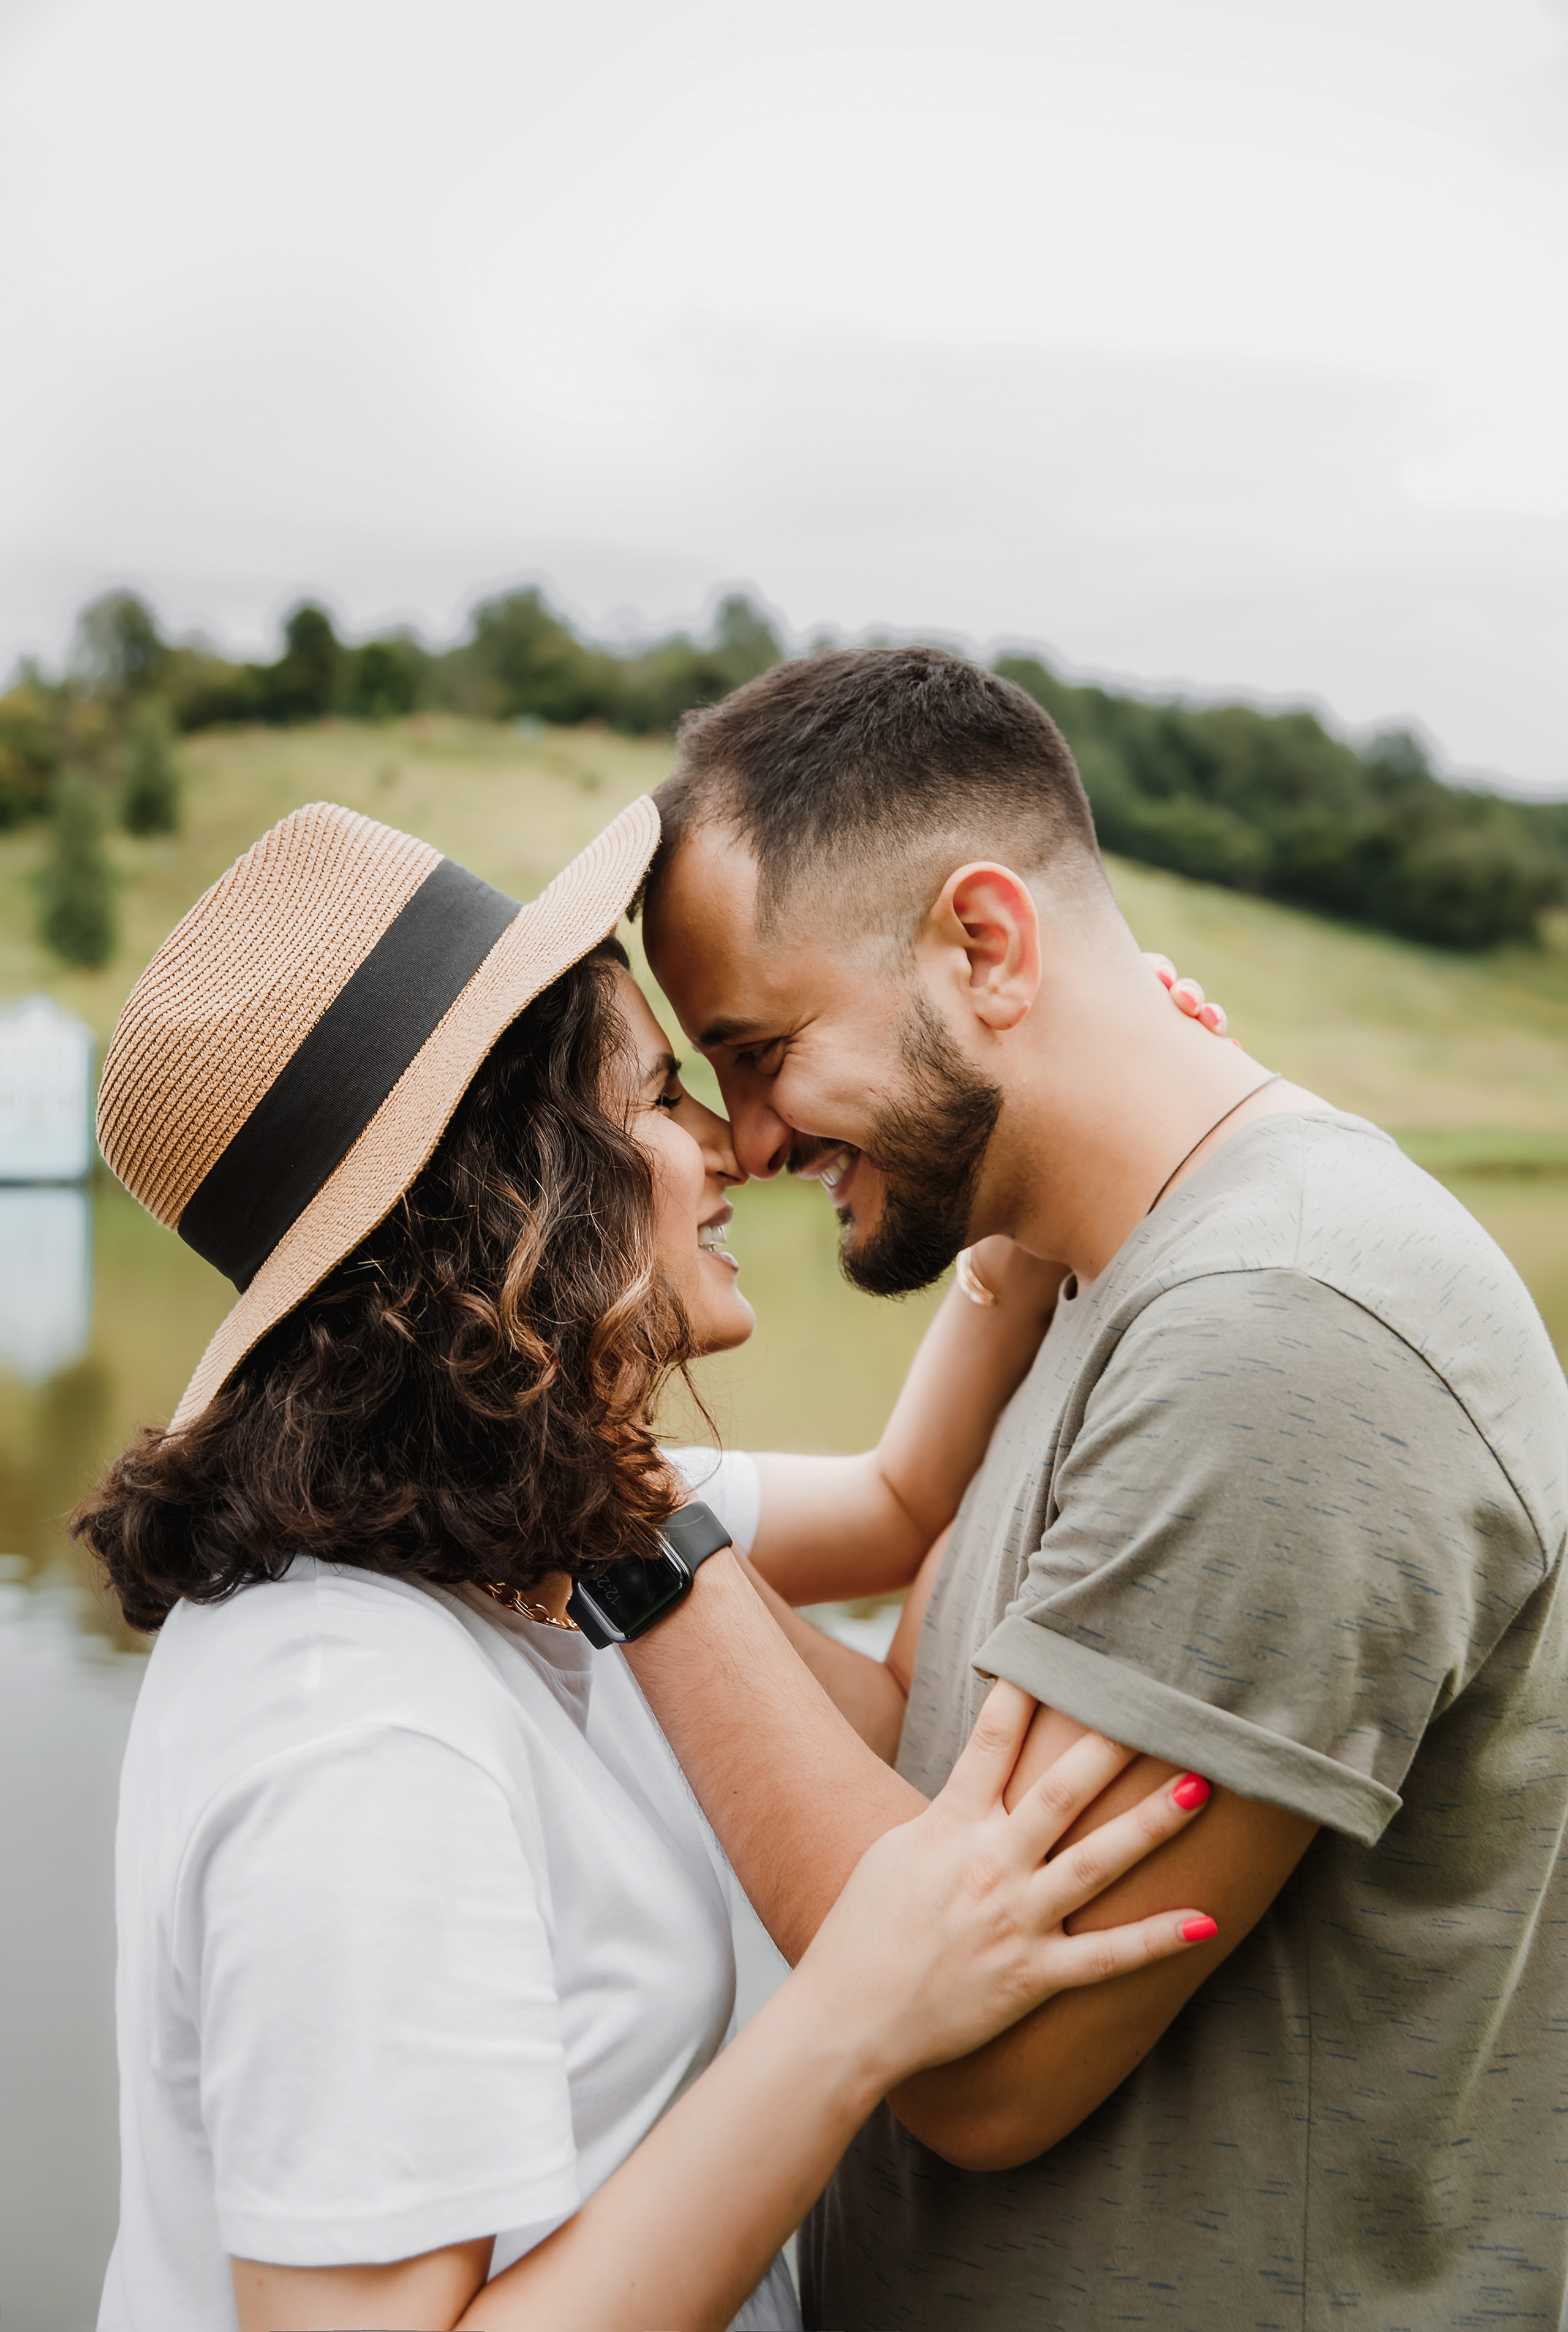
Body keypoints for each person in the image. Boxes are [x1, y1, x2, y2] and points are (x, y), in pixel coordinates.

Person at [77, 798, 1220, 2332]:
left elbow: (898, 1506)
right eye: (657, 1094)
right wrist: (849, 2019)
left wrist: (1040, 1178)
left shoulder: (530, 1524)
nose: (728, 1142)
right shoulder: (354, 1724)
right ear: (511, 1187)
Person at [625, 646, 1568, 2326]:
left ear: (985, 947)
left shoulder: (1277, 1337)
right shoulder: (1088, 1272)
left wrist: (615, 1534)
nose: (748, 1139)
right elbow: (919, 1727)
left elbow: (984, 2069)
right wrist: (602, 1504)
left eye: (761, 1049)